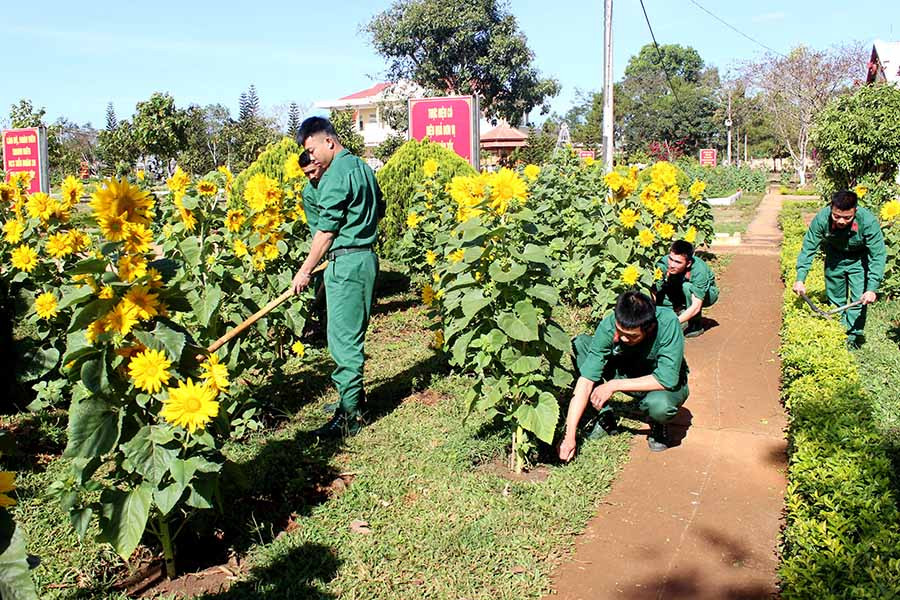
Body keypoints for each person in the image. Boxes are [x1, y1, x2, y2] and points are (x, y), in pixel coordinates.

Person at [292, 117, 385, 437]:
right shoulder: (362, 168)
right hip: (364, 258)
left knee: (344, 342)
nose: (311, 157)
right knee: (347, 336)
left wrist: (304, 271)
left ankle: (350, 415)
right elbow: (380, 207)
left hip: (345, 263)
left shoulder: (334, 176)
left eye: (312, 149)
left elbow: (326, 231)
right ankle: (351, 399)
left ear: (329, 141)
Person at [558, 290, 689, 460]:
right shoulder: (611, 324)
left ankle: (658, 424)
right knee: (581, 344)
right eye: (620, 332)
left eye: (631, 336)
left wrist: (613, 385)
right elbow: (586, 381)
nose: (624, 339)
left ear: (649, 328)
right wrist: (569, 436)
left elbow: (667, 378)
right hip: (627, 370)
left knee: (660, 406)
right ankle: (605, 414)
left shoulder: (668, 323)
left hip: (660, 383)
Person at [792, 190, 886, 347]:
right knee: (836, 300)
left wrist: (872, 288)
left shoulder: (868, 222)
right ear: (831, 208)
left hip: (858, 260)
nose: (841, 221)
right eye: (837, 216)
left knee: (859, 300)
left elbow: (878, 255)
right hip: (834, 258)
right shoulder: (822, 219)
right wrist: (800, 279)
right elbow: (808, 248)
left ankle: (852, 338)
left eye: (847, 217)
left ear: (855, 211)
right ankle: (838, 334)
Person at [654, 240, 718, 337]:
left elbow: (696, 306)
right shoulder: (663, 262)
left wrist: (673, 323)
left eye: (678, 262)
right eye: (671, 259)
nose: (672, 265)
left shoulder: (699, 270)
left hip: (707, 294)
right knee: (661, 290)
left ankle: (695, 324)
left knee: (687, 287)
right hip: (678, 288)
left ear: (688, 263)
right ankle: (678, 312)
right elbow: (653, 291)